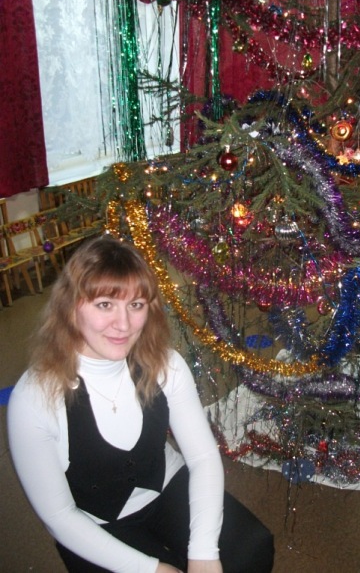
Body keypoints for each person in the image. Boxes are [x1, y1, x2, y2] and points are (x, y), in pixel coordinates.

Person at [7, 235, 274, 573]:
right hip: (92, 522)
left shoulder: (165, 364)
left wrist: (204, 551)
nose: (124, 325)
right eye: (105, 304)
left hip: (165, 484)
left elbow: (203, 457)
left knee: (250, 550)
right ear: (71, 307)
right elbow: (59, 516)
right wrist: (152, 569)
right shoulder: (34, 398)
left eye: (136, 305)